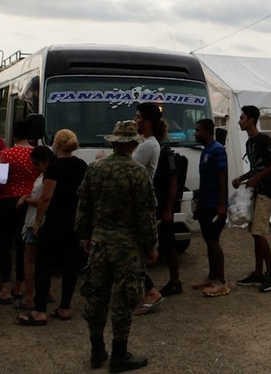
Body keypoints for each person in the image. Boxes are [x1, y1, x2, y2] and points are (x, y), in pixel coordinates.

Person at [77, 120, 157, 372]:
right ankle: (119, 354)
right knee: (123, 300)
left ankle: (97, 349)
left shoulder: (95, 169)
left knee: (97, 296)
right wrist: (150, 245)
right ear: (133, 143)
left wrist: (85, 235)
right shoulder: (137, 172)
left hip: (100, 242)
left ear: (114, 142)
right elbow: (145, 214)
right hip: (127, 246)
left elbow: (84, 206)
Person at [22, 128, 87, 325]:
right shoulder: (82, 165)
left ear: (56, 144)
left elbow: (46, 196)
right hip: (74, 220)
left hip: (55, 220)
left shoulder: (55, 167)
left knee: (44, 264)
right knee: (70, 264)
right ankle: (64, 308)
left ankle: (40, 310)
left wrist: (38, 221)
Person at [232, 105, 271, 293]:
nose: (239, 121)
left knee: (259, 232)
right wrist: (243, 178)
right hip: (256, 190)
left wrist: (257, 179)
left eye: (242, 117)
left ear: (251, 120)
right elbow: (257, 166)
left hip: (266, 192)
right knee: (254, 232)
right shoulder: (250, 143)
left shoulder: (263, 139)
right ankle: (258, 272)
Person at [0, 120, 37, 306]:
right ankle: (19, 285)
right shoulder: (36, 154)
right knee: (23, 246)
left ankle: (5, 288)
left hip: (5, 202)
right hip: (27, 202)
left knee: (3, 245)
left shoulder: (6, 154)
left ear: (14, 134)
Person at [132, 103, 165, 312]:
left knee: (135, 252)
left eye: (137, 117)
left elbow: (128, 166)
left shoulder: (148, 145)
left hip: (140, 203)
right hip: (138, 202)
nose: (135, 121)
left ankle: (150, 292)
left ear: (147, 122)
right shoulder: (145, 143)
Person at [191, 119, 229, 297]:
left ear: (207, 131)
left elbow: (222, 177)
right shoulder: (206, 151)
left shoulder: (217, 149)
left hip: (215, 204)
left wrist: (221, 204)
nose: (195, 133)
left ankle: (221, 282)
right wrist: (199, 204)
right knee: (208, 240)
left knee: (213, 241)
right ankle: (211, 277)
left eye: (197, 130)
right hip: (205, 203)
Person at [15, 145, 52, 312]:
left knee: (29, 260)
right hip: (36, 220)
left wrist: (26, 200)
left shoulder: (47, 178)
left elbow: (45, 200)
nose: (35, 168)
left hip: (35, 221)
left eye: (37, 164)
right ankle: (45, 292)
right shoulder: (45, 175)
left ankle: (29, 296)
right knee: (42, 261)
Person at [151, 117, 183, 296]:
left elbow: (173, 182)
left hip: (163, 205)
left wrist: (168, 209)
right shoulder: (153, 149)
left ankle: (175, 281)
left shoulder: (165, 152)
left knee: (168, 243)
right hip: (155, 203)